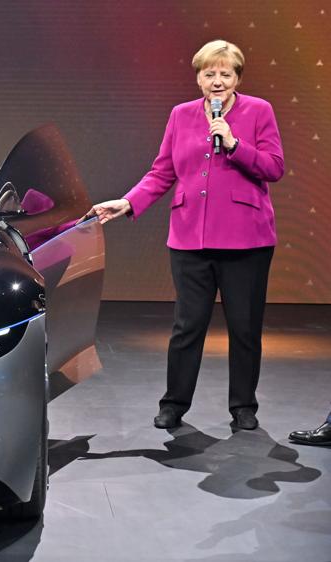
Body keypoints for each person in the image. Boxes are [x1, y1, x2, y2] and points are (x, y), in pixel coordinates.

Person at [87, 40, 284, 430]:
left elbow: (274, 167)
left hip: (247, 240)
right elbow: (162, 171)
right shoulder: (181, 115)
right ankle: (174, 403)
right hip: (190, 238)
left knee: (244, 327)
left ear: (237, 78)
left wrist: (234, 143)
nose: (217, 81)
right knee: (187, 326)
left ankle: (243, 406)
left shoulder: (258, 111)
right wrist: (128, 202)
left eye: (225, 74)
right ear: (198, 78)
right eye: (209, 73)